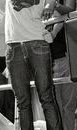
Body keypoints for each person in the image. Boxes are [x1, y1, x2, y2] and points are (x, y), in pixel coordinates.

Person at [5, 0, 63, 130]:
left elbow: (59, 16)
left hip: (36, 43)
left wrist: (53, 34)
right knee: (23, 101)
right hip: (14, 46)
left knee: (45, 97)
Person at [49, 0, 77, 130]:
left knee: (68, 107)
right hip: (45, 60)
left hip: (66, 57)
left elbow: (71, 9)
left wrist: (54, 4)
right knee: (54, 108)